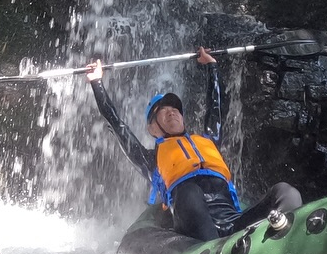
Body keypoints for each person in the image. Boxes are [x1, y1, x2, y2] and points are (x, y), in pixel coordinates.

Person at [85, 48, 303, 241]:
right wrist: (97, 83)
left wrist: (212, 68)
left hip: (234, 221)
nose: (171, 112)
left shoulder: (208, 141)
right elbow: (117, 124)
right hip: (196, 229)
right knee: (188, 191)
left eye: (175, 110)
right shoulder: (150, 159)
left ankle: (291, 241)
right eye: (162, 112)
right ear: (153, 129)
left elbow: (216, 107)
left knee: (285, 191)